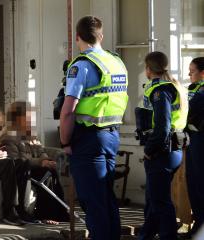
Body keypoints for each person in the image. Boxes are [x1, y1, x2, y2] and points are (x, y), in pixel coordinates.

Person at [60, 16, 128, 240]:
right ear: (101, 36)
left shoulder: (82, 66)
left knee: (93, 201)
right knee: (107, 198)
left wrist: (65, 142)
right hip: (111, 135)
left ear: (77, 36)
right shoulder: (116, 62)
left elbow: (68, 110)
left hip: (88, 139)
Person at [137, 51, 188, 240]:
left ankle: (168, 236)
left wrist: (150, 150)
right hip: (171, 149)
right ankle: (146, 235)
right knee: (153, 200)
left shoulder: (161, 90)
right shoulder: (175, 86)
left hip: (162, 152)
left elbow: (162, 126)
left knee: (160, 202)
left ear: (149, 69)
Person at [0, 101, 69, 224]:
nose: (32, 120)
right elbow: (17, 161)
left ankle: (59, 213)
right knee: (45, 173)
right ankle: (45, 214)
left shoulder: (31, 135)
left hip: (34, 167)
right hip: (21, 172)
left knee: (50, 171)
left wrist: (46, 159)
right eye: (28, 117)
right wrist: (41, 162)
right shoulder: (8, 137)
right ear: (17, 118)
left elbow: (41, 150)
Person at [182, 57, 204, 239]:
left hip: (200, 139)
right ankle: (198, 222)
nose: (189, 74)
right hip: (192, 139)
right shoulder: (191, 89)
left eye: (192, 71)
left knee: (199, 183)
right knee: (193, 182)